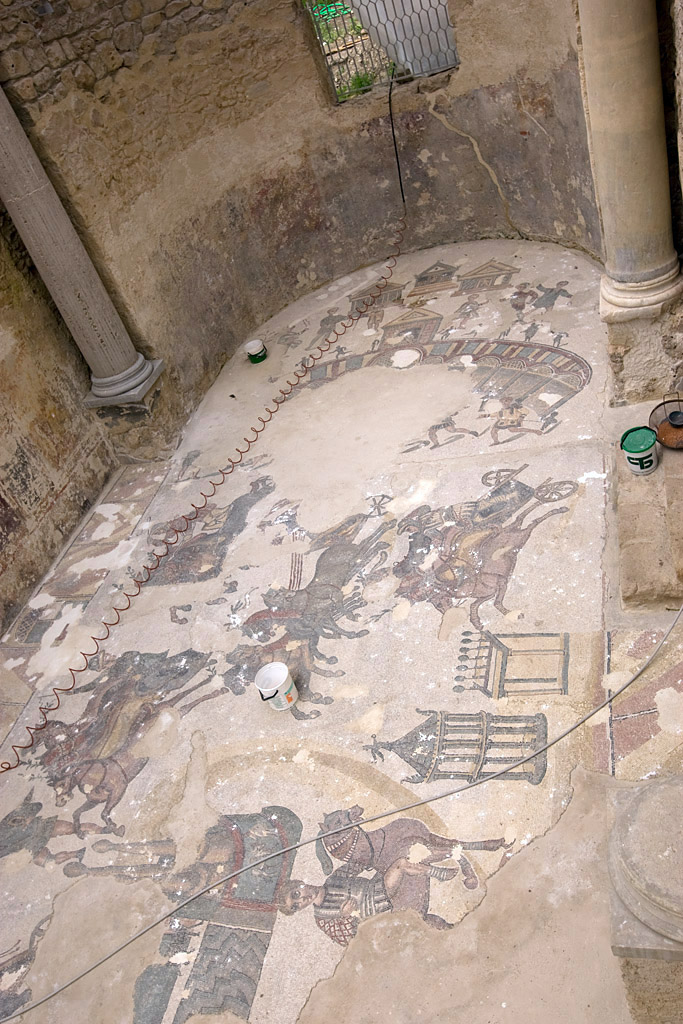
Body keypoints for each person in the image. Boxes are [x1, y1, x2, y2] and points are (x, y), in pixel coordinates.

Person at [279, 859, 458, 945]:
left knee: (402, 856)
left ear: (300, 884)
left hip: (376, 886)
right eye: (296, 905)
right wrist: (345, 917)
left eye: (296, 894)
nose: (302, 900)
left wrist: (369, 859)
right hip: (376, 908)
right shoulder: (322, 917)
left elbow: (357, 864)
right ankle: (439, 874)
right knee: (400, 864)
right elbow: (347, 941)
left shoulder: (333, 879)